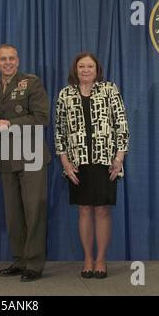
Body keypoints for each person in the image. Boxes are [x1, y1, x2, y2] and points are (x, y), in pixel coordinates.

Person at [55, 52, 129, 279]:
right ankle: (88, 258)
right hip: (78, 163)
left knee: (102, 210)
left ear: (97, 69)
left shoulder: (109, 89)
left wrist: (119, 158)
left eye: (90, 66)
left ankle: (101, 259)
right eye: (81, 66)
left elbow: (122, 124)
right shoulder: (65, 94)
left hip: (105, 161)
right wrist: (65, 163)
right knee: (84, 209)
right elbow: (59, 131)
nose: (85, 70)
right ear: (75, 69)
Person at [0, 44, 51, 282]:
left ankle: (34, 264)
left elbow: (41, 117)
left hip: (31, 156)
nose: (7, 62)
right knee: (13, 214)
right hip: (6, 157)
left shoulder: (31, 83)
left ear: (18, 60)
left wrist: (11, 124)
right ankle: (20, 260)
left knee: (34, 212)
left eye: (11, 58)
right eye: (3, 59)